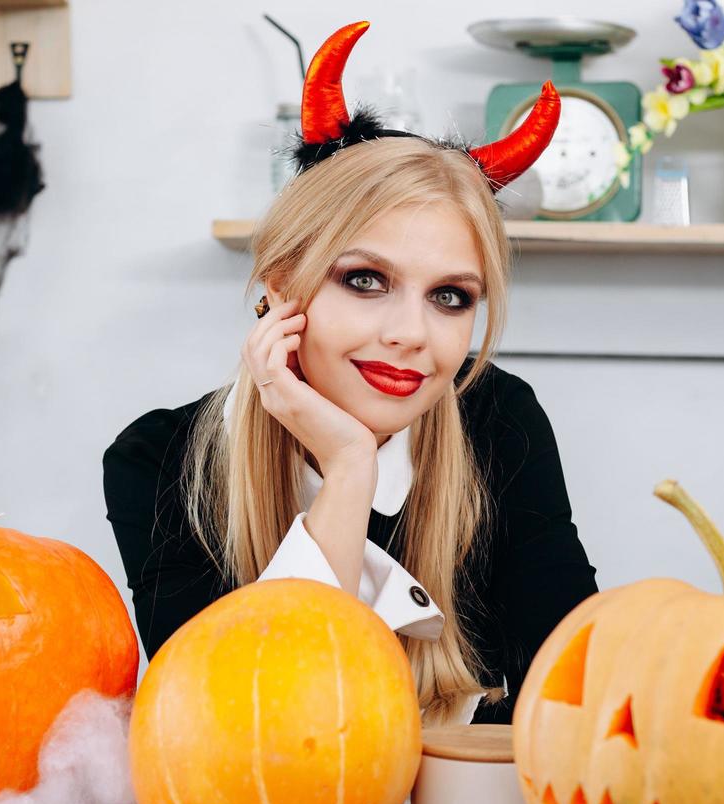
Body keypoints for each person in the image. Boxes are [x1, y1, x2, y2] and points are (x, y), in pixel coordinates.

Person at [103, 21, 597, 727]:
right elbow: (240, 729)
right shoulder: (157, 459)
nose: (410, 335)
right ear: (279, 284)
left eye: (451, 296)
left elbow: (576, 685)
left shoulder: (500, 419)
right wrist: (348, 468)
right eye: (365, 280)